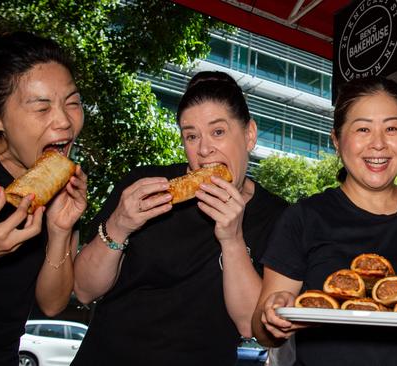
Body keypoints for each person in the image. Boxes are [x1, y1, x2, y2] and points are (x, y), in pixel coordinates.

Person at [253, 76, 397, 366]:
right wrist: (274, 316)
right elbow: (262, 331)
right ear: (336, 139)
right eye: (363, 128)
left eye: (392, 128)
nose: (378, 144)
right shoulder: (304, 217)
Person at [71, 71, 287, 365]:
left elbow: (250, 325)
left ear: (249, 135)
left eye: (218, 132)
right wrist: (119, 226)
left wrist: (233, 240)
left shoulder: (277, 217)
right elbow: (84, 290)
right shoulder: (144, 185)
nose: (204, 149)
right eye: (191, 136)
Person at [0, 26, 87, 365]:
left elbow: (53, 304)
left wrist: (60, 233)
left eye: (72, 103)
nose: (64, 122)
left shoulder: (63, 191)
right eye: (41, 108)